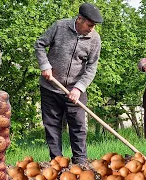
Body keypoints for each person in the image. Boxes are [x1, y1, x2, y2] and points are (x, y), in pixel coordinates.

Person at [34, 3, 103, 164]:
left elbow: (92, 67)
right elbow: (40, 44)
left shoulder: (95, 39)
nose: (92, 29)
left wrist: (79, 88)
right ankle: (57, 161)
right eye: (90, 25)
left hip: (75, 89)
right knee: (52, 125)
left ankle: (80, 161)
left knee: (78, 126)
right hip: (50, 87)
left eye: (94, 26)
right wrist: (45, 65)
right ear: (79, 19)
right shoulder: (60, 26)